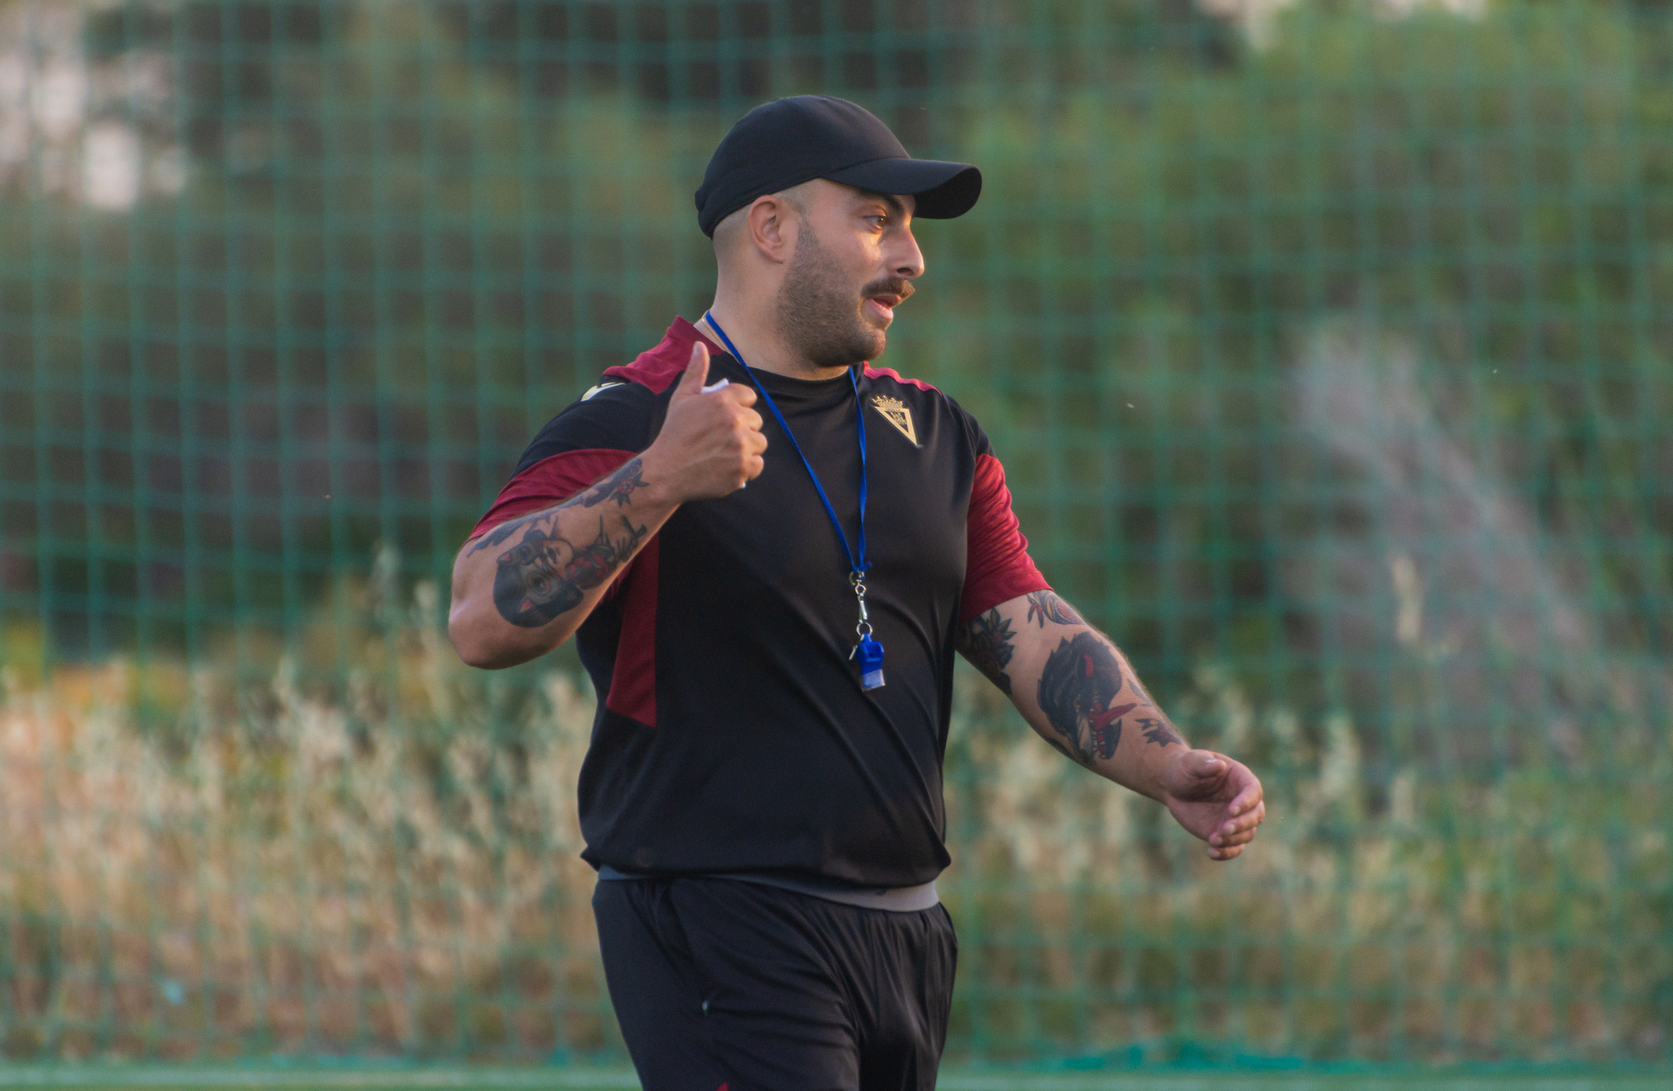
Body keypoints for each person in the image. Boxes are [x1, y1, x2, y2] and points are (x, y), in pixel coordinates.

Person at [448, 95, 1265, 1091]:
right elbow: (479, 617)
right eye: (876, 220)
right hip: (722, 920)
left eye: (909, 228)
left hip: (906, 932)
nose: (910, 259)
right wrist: (658, 477)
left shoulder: (935, 433)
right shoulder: (640, 414)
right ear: (771, 227)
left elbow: (1028, 624)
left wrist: (1165, 762)